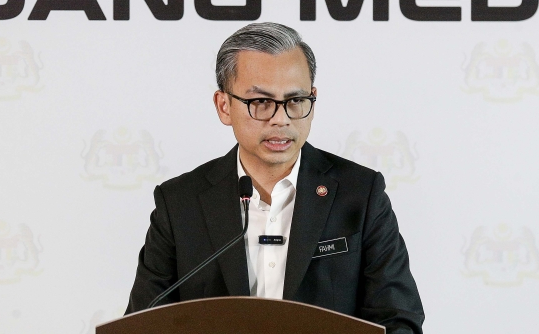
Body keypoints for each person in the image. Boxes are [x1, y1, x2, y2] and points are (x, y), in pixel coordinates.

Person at [126, 22, 425, 334]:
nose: (281, 119)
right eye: (261, 102)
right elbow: (143, 324)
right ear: (224, 106)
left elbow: (399, 321)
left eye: (296, 100)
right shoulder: (179, 203)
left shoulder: (361, 194)